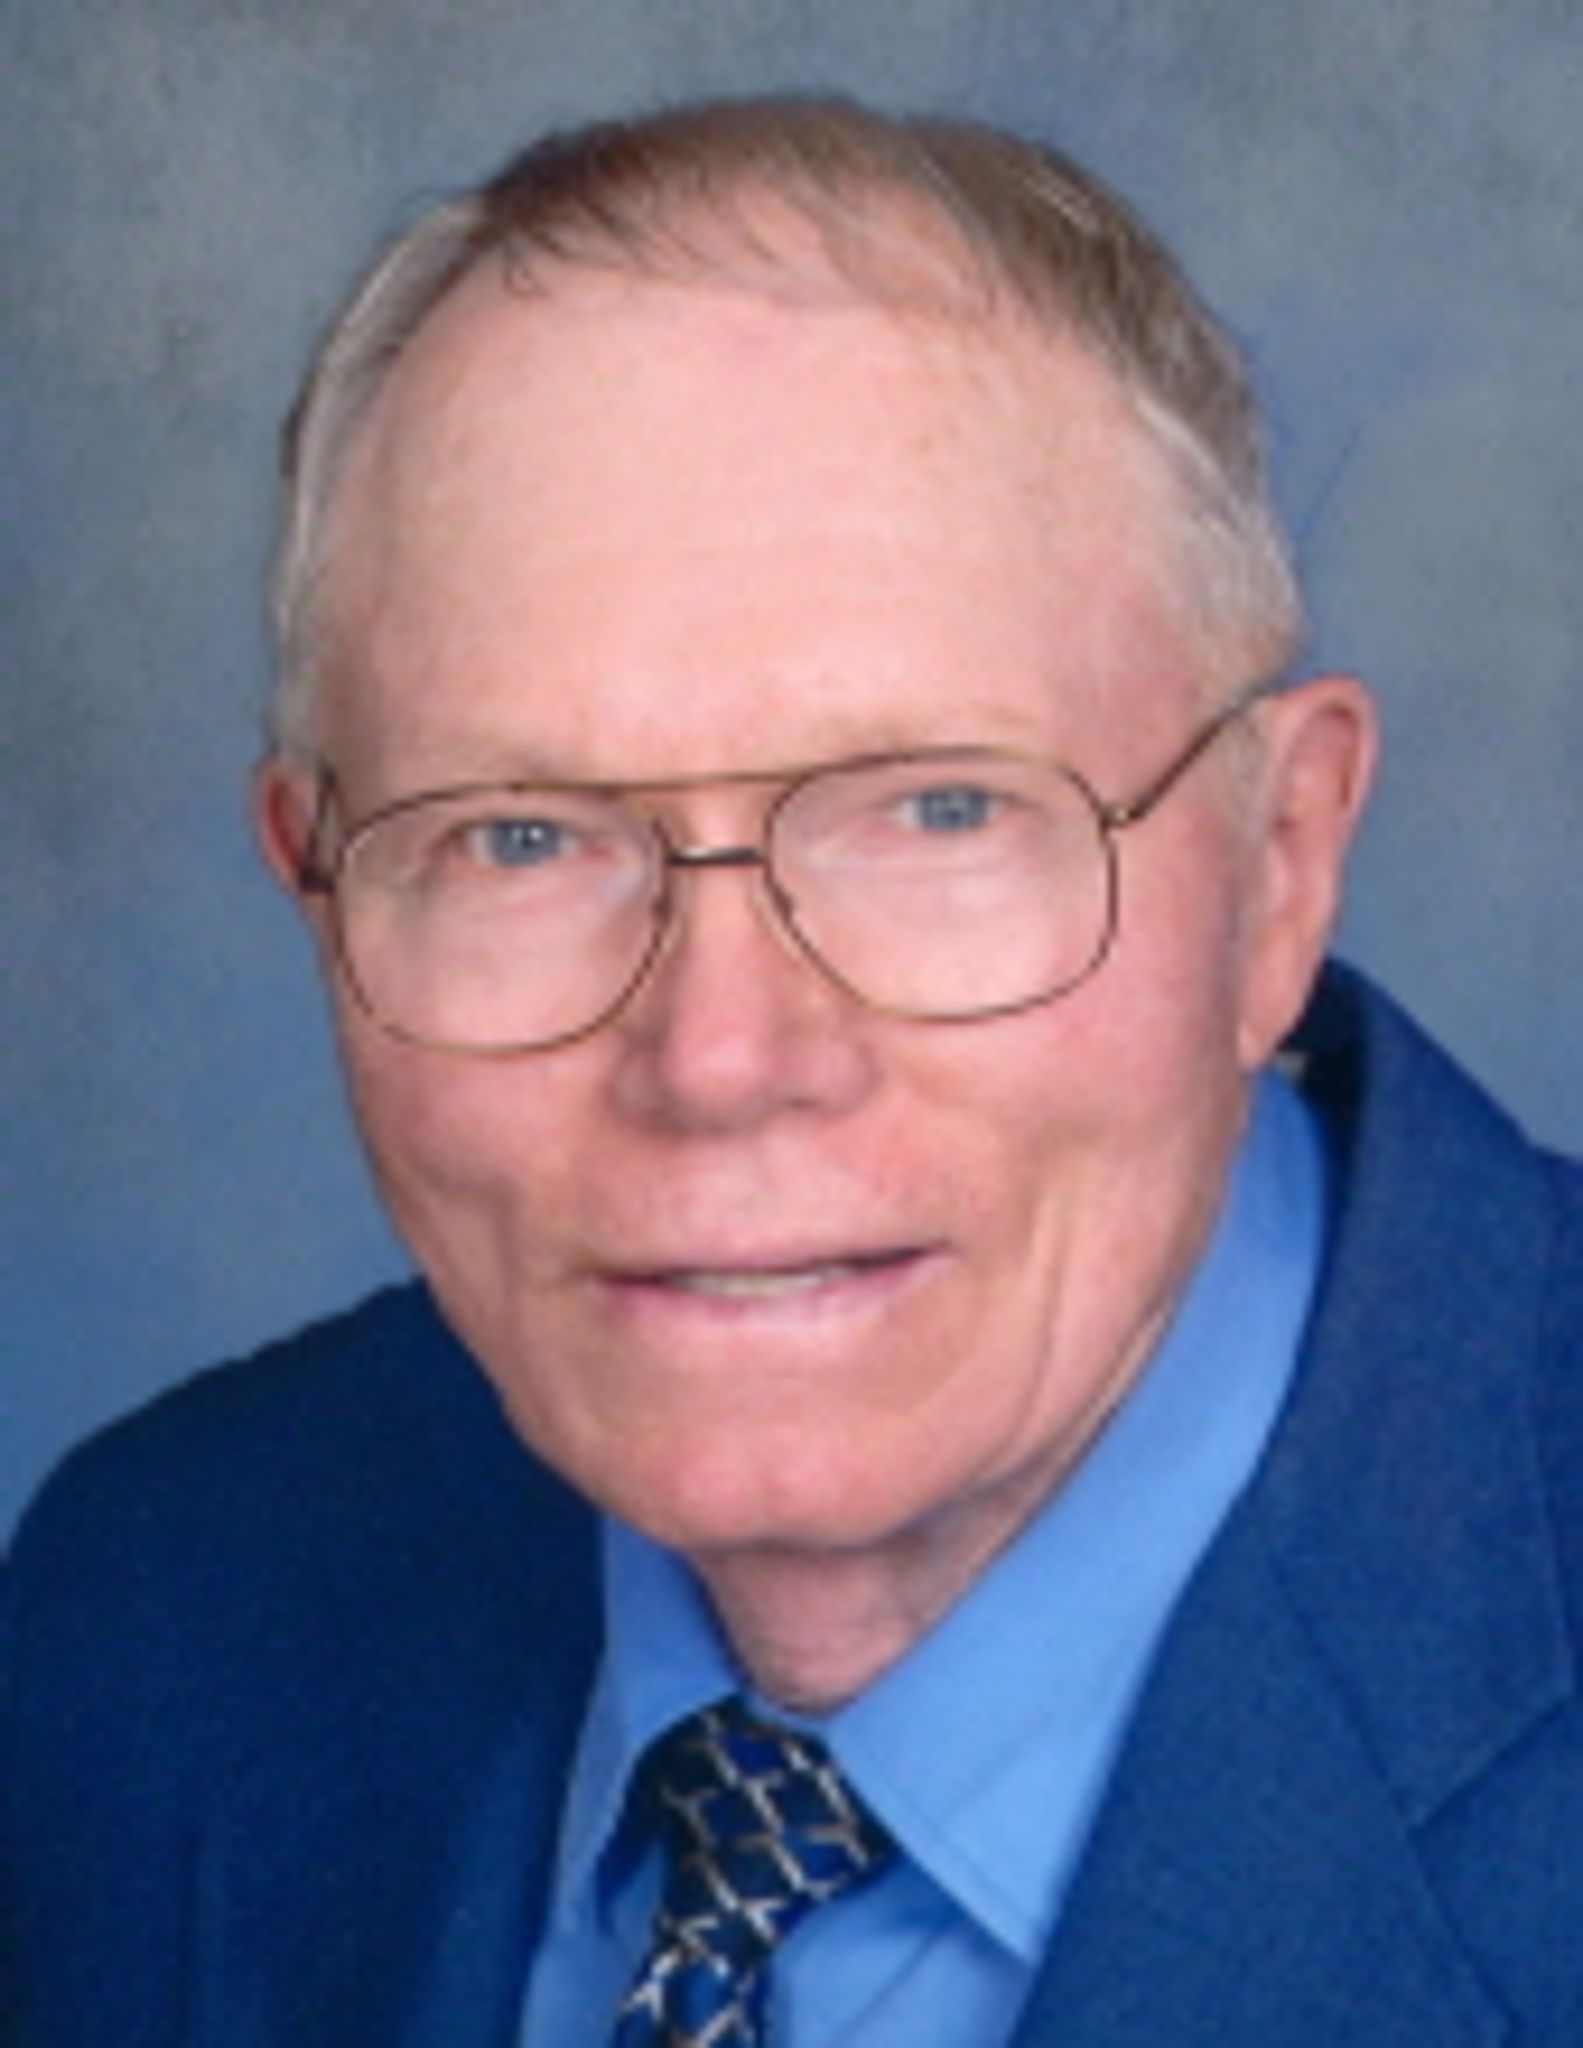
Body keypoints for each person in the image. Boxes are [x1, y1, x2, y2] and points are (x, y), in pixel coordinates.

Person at [4, 95, 1579, 2048]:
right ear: (320, 893)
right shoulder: (151, 1615)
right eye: (520, 838)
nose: (723, 1059)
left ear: (1277, 867)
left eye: (938, 810)